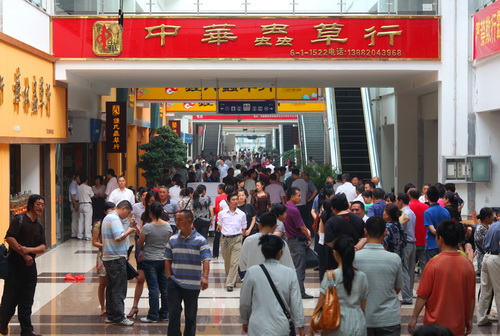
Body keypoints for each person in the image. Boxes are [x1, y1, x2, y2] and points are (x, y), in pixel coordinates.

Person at [408, 220, 475, 335]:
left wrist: (414, 317)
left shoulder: (433, 263)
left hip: (434, 327)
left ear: (440, 239)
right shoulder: (467, 264)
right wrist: (469, 319)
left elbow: (423, 296)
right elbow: (471, 297)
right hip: (457, 326)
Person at [240, 235, 305, 336]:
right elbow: (296, 303)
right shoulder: (289, 273)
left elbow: (245, 302)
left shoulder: (252, 272)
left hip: (257, 327)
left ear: (262, 252)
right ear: (280, 253)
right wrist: (300, 326)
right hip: (281, 327)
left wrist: (245, 320)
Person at [0, 195, 47, 336]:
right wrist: (23, 253)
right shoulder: (19, 219)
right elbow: (9, 237)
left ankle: (26, 330)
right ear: (31, 205)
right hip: (15, 267)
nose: (41, 207)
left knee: (27, 301)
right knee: (10, 300)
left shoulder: (39, 226)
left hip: (30, 268)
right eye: (38, 204)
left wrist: (30, 251)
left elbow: (43, 247)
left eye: (43, 205)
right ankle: (2, 324)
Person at [308, 235, 369, 336]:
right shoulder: (362, 277)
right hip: (358, 322)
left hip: (335, 323)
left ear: (335, 253)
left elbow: (320, 304)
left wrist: (311, 328)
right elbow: (363, 307)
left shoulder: (331, 276)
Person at [354, 216, 403, 336]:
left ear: (365, 232)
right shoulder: (394, 259)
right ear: (385, 233)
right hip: (389, 318)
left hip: (362, 318)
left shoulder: (354, 258)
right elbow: (397, 288)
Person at [165, 210, 211, 336]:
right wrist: (169, 276)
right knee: (173, 312)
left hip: (192, 284)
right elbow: (167, 259)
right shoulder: (173, 239)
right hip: (174, 282)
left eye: (180, 219)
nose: (177, 222)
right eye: (176, 219)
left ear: (189, 221)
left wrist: (205, 277)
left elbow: (206, 260)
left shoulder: (200, 240)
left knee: (190, 316)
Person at [101, 200, 137, 326]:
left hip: (109, 258)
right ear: (123, 208)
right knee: (119, 288)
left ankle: (110, 315)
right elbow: (119, 236)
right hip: (116, 258)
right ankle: (119, 316)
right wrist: (130, 231)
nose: (126, 215)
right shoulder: (114, 219)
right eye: (127, 212)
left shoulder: (108, 217)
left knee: (111, 287)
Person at [137, 201, 172, 323]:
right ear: (162, 212)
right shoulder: (168, 227)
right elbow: (169, 242)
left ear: (150, 213)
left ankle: (153, 315)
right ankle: (165, 313)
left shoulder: (147, 227)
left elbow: (140, 243)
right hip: (163, 260)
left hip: (150, 260)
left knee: (153, 288)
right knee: (164, 288)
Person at [283, 187, 313, 299]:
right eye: (299, 195)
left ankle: (296, 290)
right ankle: (300, 292)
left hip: (291, 240)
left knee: (295, 266)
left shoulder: (286, 207)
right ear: (292, 197)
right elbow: (302, 227)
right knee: (299, 267)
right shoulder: (294, 210)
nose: (300, 197)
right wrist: (308, 236)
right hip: (297, 240)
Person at [217, 193, 247, 291]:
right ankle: (231, 279)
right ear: (228, 202)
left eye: (236, 199)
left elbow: (243, 228)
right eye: (233, 200)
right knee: (227, 261)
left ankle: (229, 283)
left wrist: (239, 237)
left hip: (237, 239)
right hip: (225, 239)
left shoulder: (242, 214)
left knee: (235, 262)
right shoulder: (222, 214)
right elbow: (220, 226)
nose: (235, 201)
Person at [92, 201, 116, 318]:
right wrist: (107, 245)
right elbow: (94, 242)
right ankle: (103, 307)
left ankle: (113, 306)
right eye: (109, 210)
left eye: (113, 209)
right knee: (103, 283)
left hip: (115, 255)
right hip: (103, 256)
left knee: (114, 283)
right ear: (105, 211)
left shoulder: (116, 222)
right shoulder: (98, 225)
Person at [476, 214, 500, 327]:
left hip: (486, 257)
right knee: (498, 291)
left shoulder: (493, 226)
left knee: (485, 291)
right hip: (496, 258)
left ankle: (481, 319)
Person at [396, 193, 417, 305]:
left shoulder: (405, 213)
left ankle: (407, 296)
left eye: (396, 201)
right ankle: (409, 293)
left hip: (406, 244)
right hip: (412, 243)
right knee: (410, 270)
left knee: (404, 270)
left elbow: (401, 226)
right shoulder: (411, 212)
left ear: (400, 201)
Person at [423, 186, 451, 261]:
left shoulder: (427, 212)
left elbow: (432, 230)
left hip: (432, 245)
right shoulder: (445, 211)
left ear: (427, 197)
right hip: (445, 244)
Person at [408, 188, 429, 270]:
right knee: (424, 264)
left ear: (409, 196)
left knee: (410, 266)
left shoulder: (408, 207)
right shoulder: (426, 207)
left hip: (411, 240)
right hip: (423, 239)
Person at [474, 207, 494, 275]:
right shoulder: (480, 229)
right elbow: (486, 246)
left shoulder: (486, 228)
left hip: (487, 260)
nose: (493, 218)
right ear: (487, 218)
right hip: (484, 260)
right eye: (492, 216)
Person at [77, 174, 94, 240]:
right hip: (87, 204)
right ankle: (88, 236)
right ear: (86, 180)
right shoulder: (88, 188)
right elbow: (92, 195)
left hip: (80, 204)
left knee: (80, 220)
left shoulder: (78, 187)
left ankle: (79, 235)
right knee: (88, 221)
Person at [69, 174, 80, 238]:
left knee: (76, 218)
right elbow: (72, 195)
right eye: (79, 178)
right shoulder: (73, 185)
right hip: (75, 202)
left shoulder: (76, 185)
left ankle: (75, 233)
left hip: (76, 202)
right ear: (76, 178)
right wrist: (75, 204)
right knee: (75, 218)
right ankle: (74, 233)